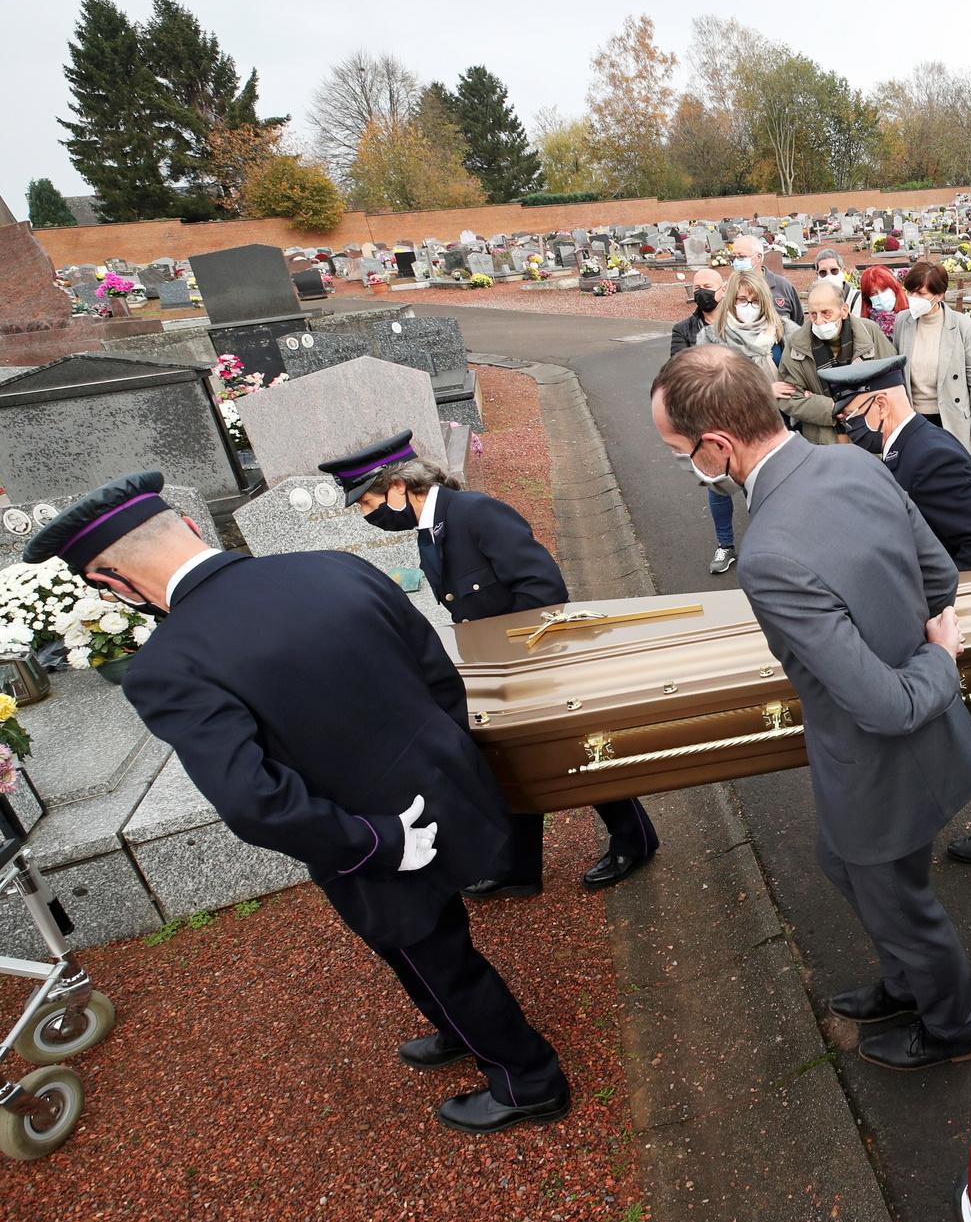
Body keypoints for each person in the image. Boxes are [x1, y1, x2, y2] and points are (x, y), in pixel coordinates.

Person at [25, 473, 569, 1132]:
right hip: (444, 783)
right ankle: (456, 1029)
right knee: (427, 955)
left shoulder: (167, 665)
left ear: (112, 581)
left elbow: (253, 801)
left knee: (439, 959)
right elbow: (436, 674)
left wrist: (376, 841)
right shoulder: (334, 567)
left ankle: (526, 1079)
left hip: (365, 832)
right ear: (190, 528)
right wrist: (448, 765)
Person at [649, 347, 971, 1071]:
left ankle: (952, 1026)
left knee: (901, 902)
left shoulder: (770, 551)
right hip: (894, 741)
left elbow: (888, 707)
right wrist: (921, 638)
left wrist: (939, 659)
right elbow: (936, 576)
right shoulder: (857, 463)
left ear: (718, 445)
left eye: (680, 452)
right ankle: (905, 982)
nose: (687, 467)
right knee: (843, 864)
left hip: (877, 754)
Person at [317, 433, 659, 894]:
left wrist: (516, 663)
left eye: (368, 502)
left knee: (569, 754)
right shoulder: (433, 527)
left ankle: (633, 839)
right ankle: (517, 867)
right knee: (510, 761)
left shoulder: (475, 513)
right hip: (497, 666)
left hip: (530, 662)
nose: (368, 515)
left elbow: (543, 591)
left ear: (398, 486)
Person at [822, 358, 971, 865]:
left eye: (850, 415)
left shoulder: (931, 454)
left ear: (878, 403)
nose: (848, 430)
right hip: (937, 613)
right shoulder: (902, 451)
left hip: (948, 614)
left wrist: (933, 604)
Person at [696, 270, 784, 573]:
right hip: (728, 424)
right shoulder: (710, 338)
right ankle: (725, 545)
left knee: (768, 489)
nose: (748, 306)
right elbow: (708, 387)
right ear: (730, 301)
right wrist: (764, 391)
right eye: (741, 300)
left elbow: (794, 379)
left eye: (754, 300)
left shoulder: (782, 332)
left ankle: (771, 548)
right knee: (719, 486)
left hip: (774, 426)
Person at [775, 280, 895, 445]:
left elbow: (892, 381)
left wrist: (855, 404)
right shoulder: (797, 343)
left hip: (870, 434)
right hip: (822, 440)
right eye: (813, 314)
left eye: (826, 313)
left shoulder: (870, 332)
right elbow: (789, 397)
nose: (818, 321)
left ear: (843, 310)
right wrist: (832, 408)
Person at [891, 261, 971, 456]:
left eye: (921, 294)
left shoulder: (962, 326)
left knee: (955, 480)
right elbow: (896, 370)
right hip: (914, 419)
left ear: (939, 295)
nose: (913, 298)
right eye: (910, 292)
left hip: (951, 419)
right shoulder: (902, 321)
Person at [729, 234, 802, 325]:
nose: (736, 261)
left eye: (741, 257)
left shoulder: (782, 286)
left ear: (758, 257)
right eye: (733, 257)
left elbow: (798, 323)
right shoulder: (729, 287)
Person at [670, 267, 725, 358]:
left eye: (707, 287)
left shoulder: (739, 321)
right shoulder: (683, 329)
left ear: (723, 290)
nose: (701, 291)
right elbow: (679, 363)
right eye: (697, 288)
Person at [858, 265, 906, 336]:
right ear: (867, 298)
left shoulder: (910, 318)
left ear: (894, 288)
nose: (881, 296)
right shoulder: (865, 327)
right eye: (874, 293)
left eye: (884, 289)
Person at [812, 249, 862, 315]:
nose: (829, 276)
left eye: (834, 270)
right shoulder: (814, 299)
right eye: (823, 272)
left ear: (843, 271)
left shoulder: (856, 298)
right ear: (817, 274)